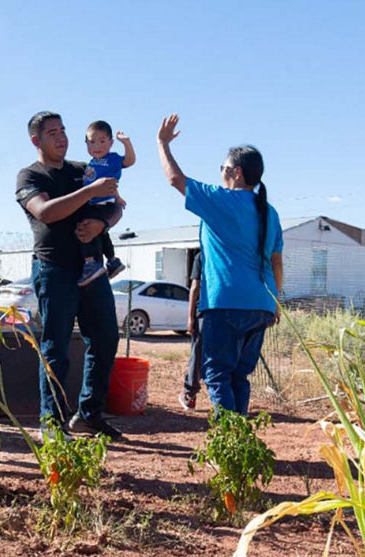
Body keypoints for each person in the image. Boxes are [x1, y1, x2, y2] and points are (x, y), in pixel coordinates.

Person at [157, 114, 284, 415]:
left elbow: (175, 179)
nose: (221, 174)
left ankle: (231, 445)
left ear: (237, 173)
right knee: (239, 376)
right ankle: (240, 444)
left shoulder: (221, 201)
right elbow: (277, 262)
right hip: (261, 305)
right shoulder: (270, 212)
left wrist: (162, 144)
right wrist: (275, 303)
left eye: (223, 168)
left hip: (224, 304)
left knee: (216, 375)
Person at [16, 111, 125, 439]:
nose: (61, 137)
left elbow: (117, 203)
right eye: (52, 133)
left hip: (92, 268)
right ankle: (51, 423)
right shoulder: (29, 177)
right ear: (36, 141)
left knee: (106, 339)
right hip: (54, 269)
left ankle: (88, 415)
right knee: (55, 347)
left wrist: (102, 223)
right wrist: (89, 193)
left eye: (63, 130)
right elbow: (46, 212)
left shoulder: (85, 169)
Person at [78, 120, 134, 286]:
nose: (97, 146)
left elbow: (129, 161)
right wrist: (118, 196)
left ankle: (90, 263)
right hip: (94, 202)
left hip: (101, 204)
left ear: (111, 142)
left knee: (83, 229)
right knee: (102, 233)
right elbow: (108, 183)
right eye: (92, 141)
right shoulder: (91, 163)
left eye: (102, 141)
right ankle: (112, 260)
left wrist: (126, 142)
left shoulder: (112, 159)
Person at [179, 250, 204, 411]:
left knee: (198, 353)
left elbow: (195, 287)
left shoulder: (202, 256)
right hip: (228, 309)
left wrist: (190, 317)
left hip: (205, 311)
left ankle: (190, 394)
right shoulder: (230, 250)